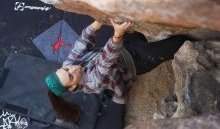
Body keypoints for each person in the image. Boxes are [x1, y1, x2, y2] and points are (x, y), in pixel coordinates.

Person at [45, 19, 195, 124]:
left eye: (66, 69)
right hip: (135, 61)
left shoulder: (69, 64)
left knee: (137, 31)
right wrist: (117, 34)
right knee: (180, 42)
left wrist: (99, 20)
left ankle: (144, 39)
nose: (72, 68)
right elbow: (107, 58)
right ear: (72, 87)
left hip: (123, 45)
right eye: (71, 76)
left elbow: (82, 42)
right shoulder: (93, 82)